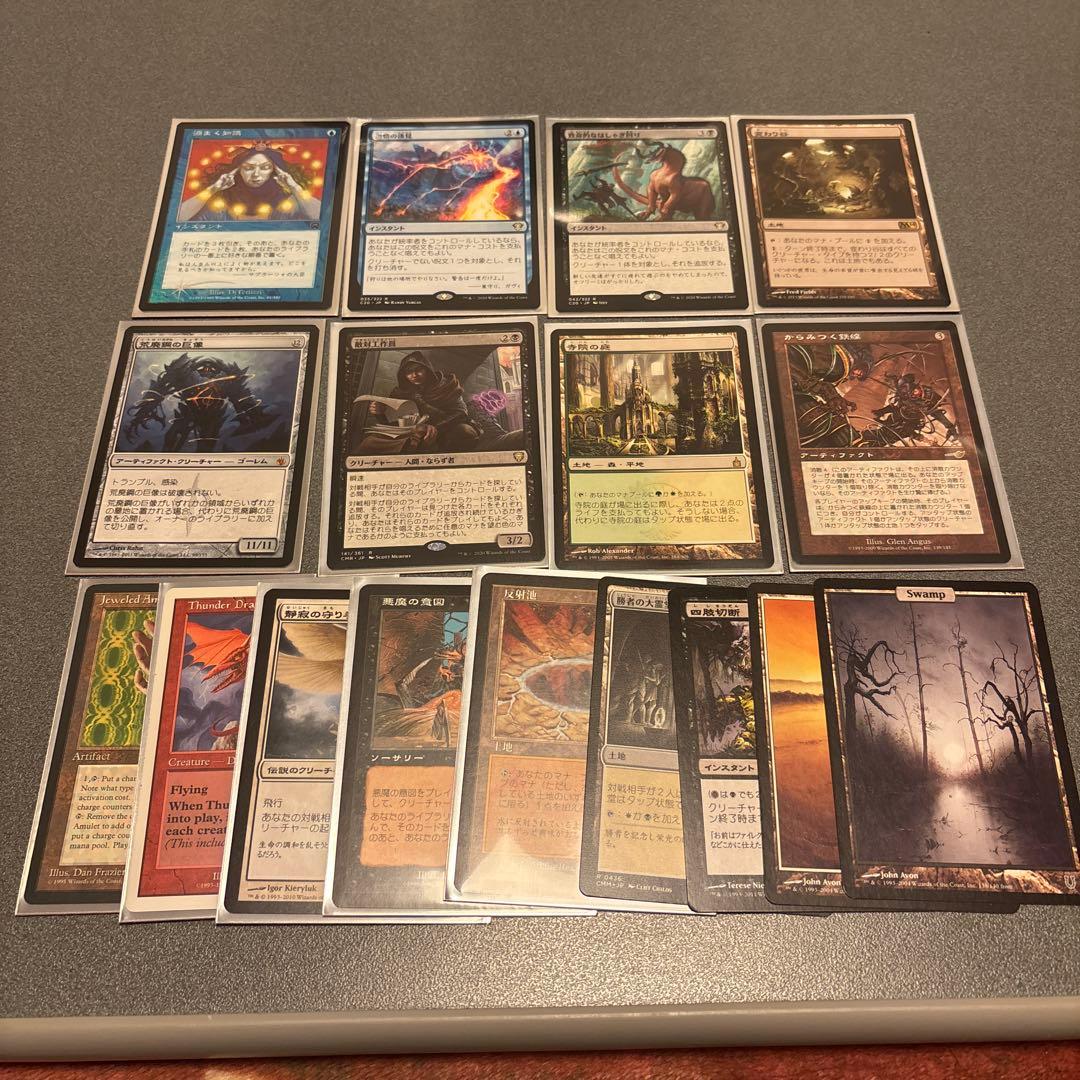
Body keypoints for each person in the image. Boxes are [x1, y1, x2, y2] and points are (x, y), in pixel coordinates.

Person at [178, 143, 320, 222]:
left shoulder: (288, 203)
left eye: (265, 167)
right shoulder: (220, 203)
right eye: (248, 168)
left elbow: (322, 217)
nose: (256, 174)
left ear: (274, 170)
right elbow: (177, 218)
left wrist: (294, 187)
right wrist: (213, 188)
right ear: (238, 170)